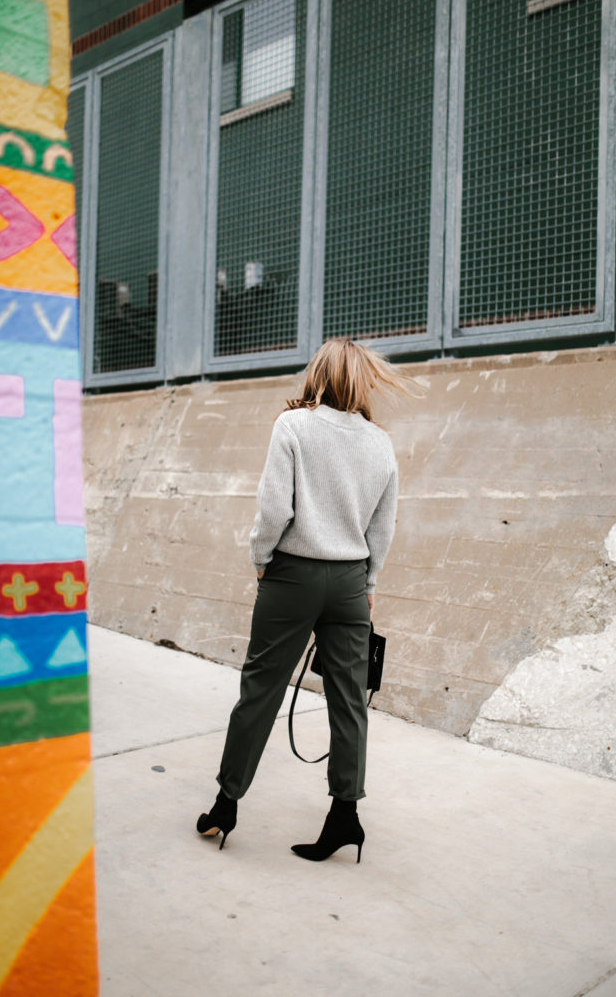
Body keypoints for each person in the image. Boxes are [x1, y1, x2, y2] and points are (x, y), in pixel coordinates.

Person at [196, 338, 411, 862]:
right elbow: (383, 527)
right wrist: (369, 585)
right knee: (349, 700)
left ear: (318, 373)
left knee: (261, 690)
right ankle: (345, 816)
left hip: (293, 574)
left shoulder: (293, 426)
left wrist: (262, 558)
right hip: (350, 584)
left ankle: (226, 806)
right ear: (364, 381)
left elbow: (274, 506)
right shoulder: (380, 443)